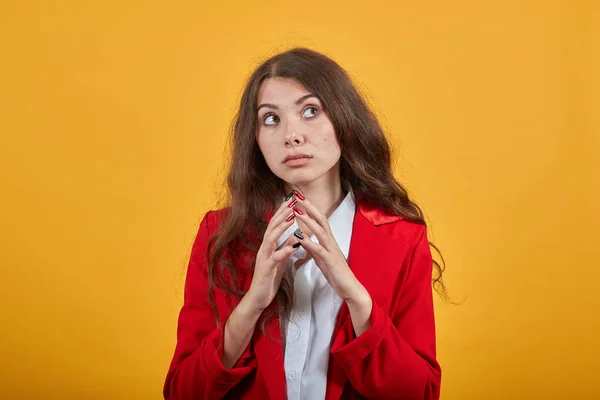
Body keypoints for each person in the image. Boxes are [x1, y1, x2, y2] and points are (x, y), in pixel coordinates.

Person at [163, 47, 447, 400]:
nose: (291, 135)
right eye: (271, 119)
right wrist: (251, 304)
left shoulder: (402, 238)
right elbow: (181, 393)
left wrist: (356, 297)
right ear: (255, 139)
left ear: (344, 120)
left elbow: (419, 393)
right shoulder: (220, 234)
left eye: (311, 111)